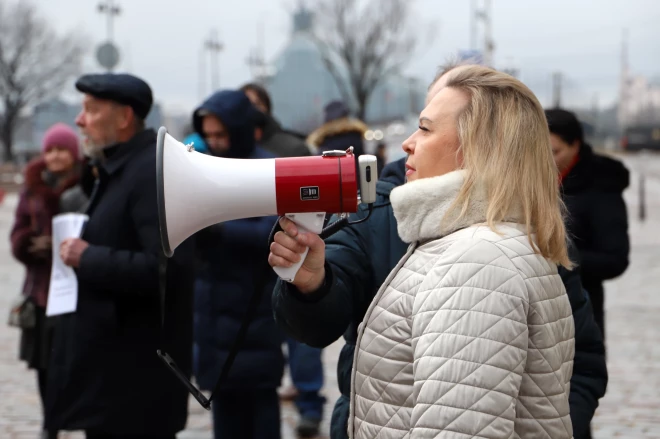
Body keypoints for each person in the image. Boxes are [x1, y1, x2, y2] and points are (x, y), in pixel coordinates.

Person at [270, 64, 607, 439]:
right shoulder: (486, 236)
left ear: (478, 146)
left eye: (426, 127)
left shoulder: (478, 260)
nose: (407, 143)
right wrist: (312, 284)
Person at [47, 73, 196, 439]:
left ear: (124, 117)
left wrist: (88, 257)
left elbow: (165, 269)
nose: (80, 120)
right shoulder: (119, 167)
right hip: (113, 381)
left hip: (137, 386)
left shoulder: (149, 172)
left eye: (90, 111)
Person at [191, 89, 284, 439]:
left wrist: (217, 228)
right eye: (209, 136)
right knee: (223, 408)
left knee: (260, 409)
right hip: (214, 308)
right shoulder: (205, 166)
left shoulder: (267, 167)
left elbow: (274, 230)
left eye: (221, 134)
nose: (214, 143)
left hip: (253, 308)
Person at [10, 123, 81, 439]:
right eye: (50, 149)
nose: (55, 156)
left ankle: (69, 415)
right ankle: (50, 423)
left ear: (73, 153)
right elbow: (18, 231)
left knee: (72, 360)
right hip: (40, 289)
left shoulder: (87, 185)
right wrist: (28, 243)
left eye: (62, 149)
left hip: (76, 287)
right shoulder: (32, 188)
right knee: (42, 364)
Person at [546, 108, 630, 341]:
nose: (546, 161)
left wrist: (556, 256)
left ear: (576, 145)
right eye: (537, 152)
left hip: (581, 313)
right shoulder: (527, 180)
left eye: (554, 152)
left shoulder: (601, 186)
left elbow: (615, 259)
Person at [241, 82, 312, 157]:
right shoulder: (231, 149)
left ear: (267, 108)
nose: (251, 110)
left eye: (257, 104)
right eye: (246, 104)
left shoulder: (295, 149)